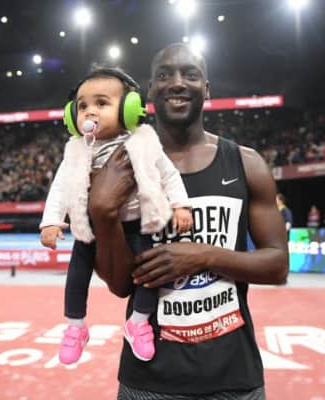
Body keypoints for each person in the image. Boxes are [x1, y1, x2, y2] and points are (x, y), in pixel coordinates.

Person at [87, 43, 289, 399]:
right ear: (151, 91)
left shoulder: (246, 164)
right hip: (148, 380)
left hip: (234, 377)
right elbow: (120, 285)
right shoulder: (124, 167)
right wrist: (102, 213)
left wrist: (203, 256)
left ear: (206, 89)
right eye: (165, 75)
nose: (177, 82)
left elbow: (278, 266)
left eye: (190, 74)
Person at [39, 66, 193, 364]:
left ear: (129, 110)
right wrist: (51, 221)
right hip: (91, 228)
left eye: (101, 103)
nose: (89, 111)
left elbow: (170, 174)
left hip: (138, 226)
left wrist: (181, 205)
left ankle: (138, 322)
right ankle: (75, 326)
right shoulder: (77, 150)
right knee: (76, 273)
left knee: (150, 273)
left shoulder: (143, 144)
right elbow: (59, 187)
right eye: (82, 106)